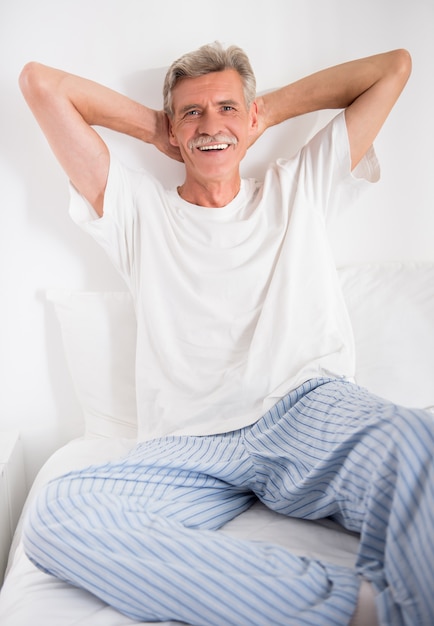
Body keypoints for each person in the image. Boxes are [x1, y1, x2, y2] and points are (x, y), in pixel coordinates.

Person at [18, 42, 433, 626]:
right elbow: (41, 84)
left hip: (304, 411)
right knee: (57, 512)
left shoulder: (299, 186)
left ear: (251, 115)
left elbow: (394, 68)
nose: (211, 125)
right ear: (173, 127)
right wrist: (162, 128)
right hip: (191, 446)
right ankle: (352, 607)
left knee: (418, 438)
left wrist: (260, 113)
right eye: (192, 113)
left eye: (226, 108)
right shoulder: (140, 211)